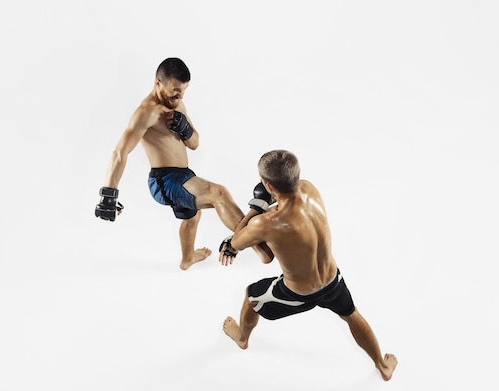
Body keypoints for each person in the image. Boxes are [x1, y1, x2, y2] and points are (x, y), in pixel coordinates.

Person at [218, 150, 398, 381]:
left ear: (269, 186)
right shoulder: (310, 189)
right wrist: (270, 201)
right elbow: (288, 211)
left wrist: (256, 207)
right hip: (333, 281)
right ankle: (382, 366)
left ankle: (242, 338)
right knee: (351, 314)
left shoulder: (266, 223)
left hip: (297, 294)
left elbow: (236, 241)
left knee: (251, 297)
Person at [94, 57, 272, 270]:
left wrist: (185, 128)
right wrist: (108, 195)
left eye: (184, 90)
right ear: (158, 83)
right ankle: (257, 247)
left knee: (192, 216)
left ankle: (187, 258)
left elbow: (194, 143)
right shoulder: (146, 112)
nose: (180, 96)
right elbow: (119, 152)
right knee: (220, 194)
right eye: (175, 90)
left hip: (183, 175)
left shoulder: (177, 104)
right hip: (165, 180)